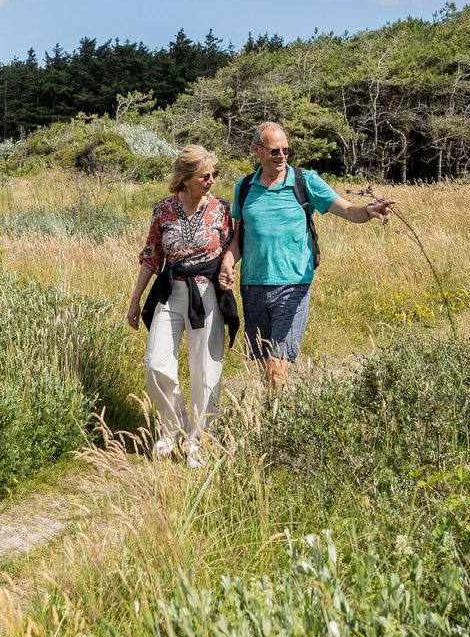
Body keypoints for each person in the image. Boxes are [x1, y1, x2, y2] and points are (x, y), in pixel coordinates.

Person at [218, 122, 393, 391]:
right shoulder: (244, 187)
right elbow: (239, 240)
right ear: (257, 150)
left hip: (293, 284)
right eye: (275, 151)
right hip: (252, 285)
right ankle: (272, 417)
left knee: (278, 362)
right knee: (265, 362)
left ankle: (276, 424)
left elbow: (347, 210)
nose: (282, 156)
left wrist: (370, 210)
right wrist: (228, 262)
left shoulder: (305, 181)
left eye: (286, 150)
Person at [127, 145, 239, 466]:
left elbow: (231, 250)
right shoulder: (163, 209)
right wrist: (135, 299)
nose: (212, 180)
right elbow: (151, 255)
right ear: (185, 178)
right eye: (205, 175)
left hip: (207, 295)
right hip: (170, 292)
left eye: (214, 174)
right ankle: (171, 428)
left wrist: (229, 271)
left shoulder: (221, 209)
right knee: (155, 363)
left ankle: (198, 442)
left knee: (206, 369)